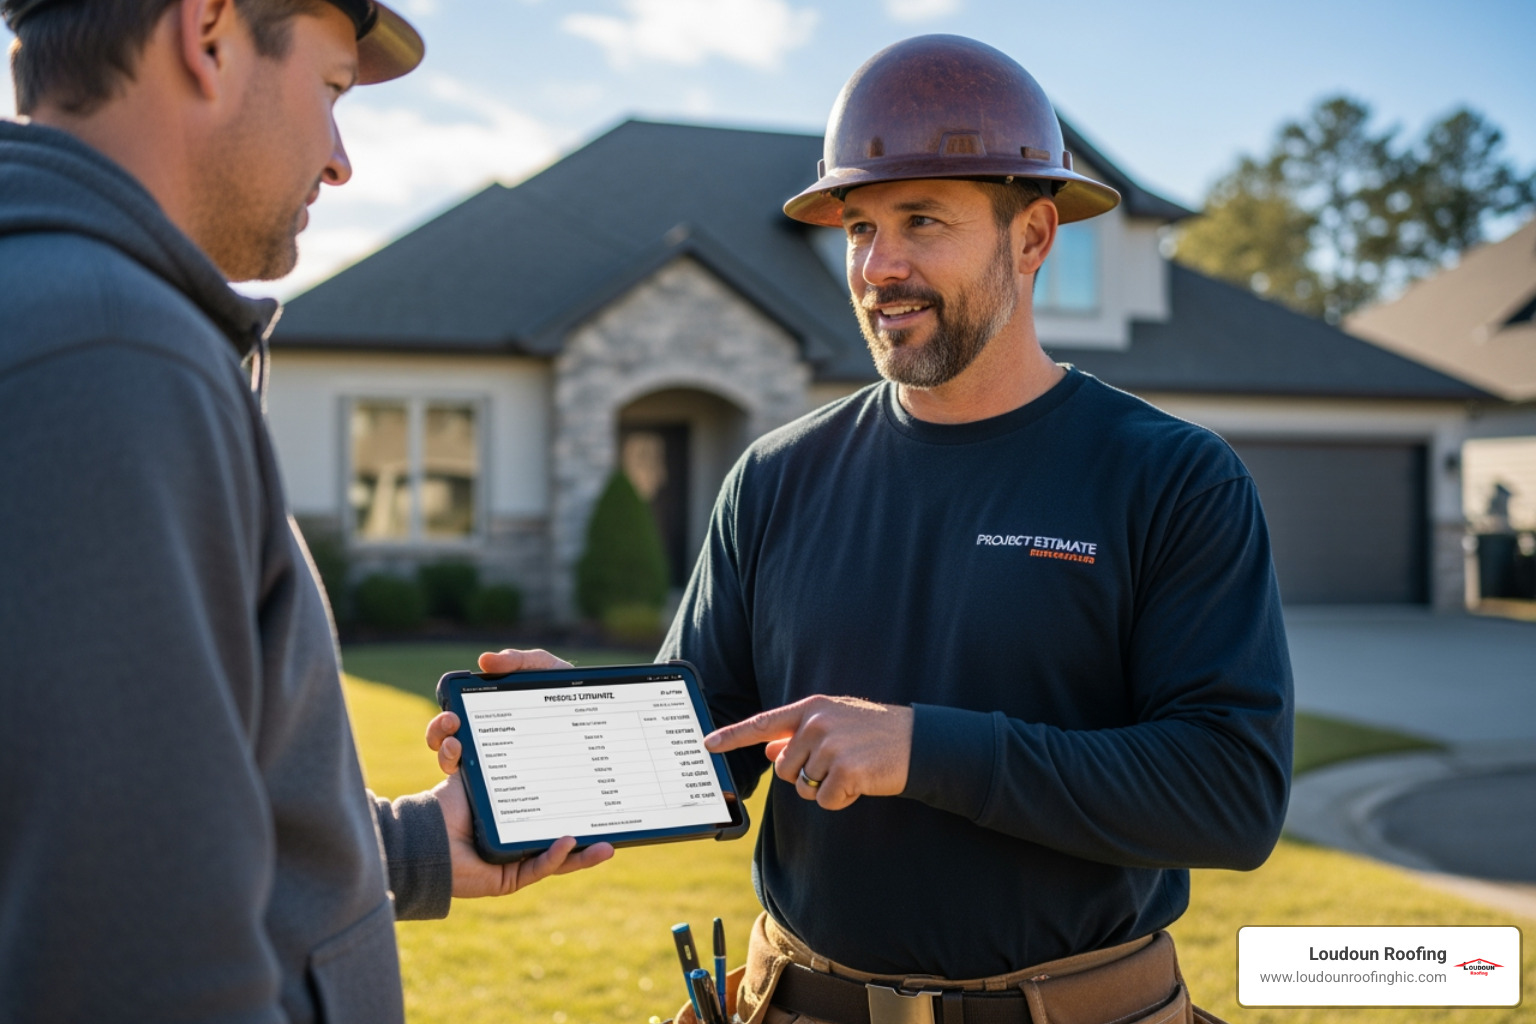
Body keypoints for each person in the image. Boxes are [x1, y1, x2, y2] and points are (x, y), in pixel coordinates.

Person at [658, 35, 1293, 1024]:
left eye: (922, 220)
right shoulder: (775, 478)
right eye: (860, 226)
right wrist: (549, 736)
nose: (880, 265)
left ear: (1035, 236)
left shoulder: (1169, 476)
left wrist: (925, 749)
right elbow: (703, 746)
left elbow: (1231, 793)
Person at [0, 1, 608, 1020]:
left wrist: (410, 848)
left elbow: (151, 806)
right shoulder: (114, 357)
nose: (340, 162)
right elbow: (140, 962)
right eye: (331, 90)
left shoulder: (68, 319)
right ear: (207, 34)